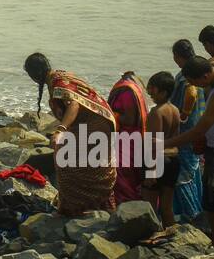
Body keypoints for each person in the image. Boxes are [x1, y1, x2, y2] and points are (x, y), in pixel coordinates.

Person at [165, 56, 214, 246]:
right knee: (209, 199)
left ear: (206, 76)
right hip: (213, 144)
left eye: (195, 82)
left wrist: (165, 143)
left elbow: (198, 130)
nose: (195, 87)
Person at [23, 53, 117, 215]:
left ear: (35, 73)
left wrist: (61, 130)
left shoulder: (58, 83)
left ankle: (74, 207)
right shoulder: (61, 75)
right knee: (93, 166)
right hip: (100, 122)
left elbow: (74, 104)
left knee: (69, 164)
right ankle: (99, 208)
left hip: (93, 125)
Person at [169, 39, 208, 221]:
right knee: (194, 170)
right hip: (199, 125)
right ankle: (199, 208)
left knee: (182, 175)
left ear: (178, 57)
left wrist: (183, 113)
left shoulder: (186, 73)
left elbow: (191, 92)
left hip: (186, 129)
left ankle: (190, 214)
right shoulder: (200, 67)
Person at [143, 71, 181, 228]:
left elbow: (154, 144)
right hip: (173, 161)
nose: (150, 93)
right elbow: (174, 143)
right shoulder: (175, 110)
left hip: (158, 161)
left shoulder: (156, 112)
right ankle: (172, 235)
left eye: (153, 89)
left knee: (150, 207)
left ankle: (151, 238)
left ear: (164, 92)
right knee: (166, 207)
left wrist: (151, 171)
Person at [108, 72, 149, 204]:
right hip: (132, 135)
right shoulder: (135, 90)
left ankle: (126, 202)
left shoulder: (126, 92)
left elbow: (130, 119)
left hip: (127, 136)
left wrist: (113, 115)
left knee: (121, 170)